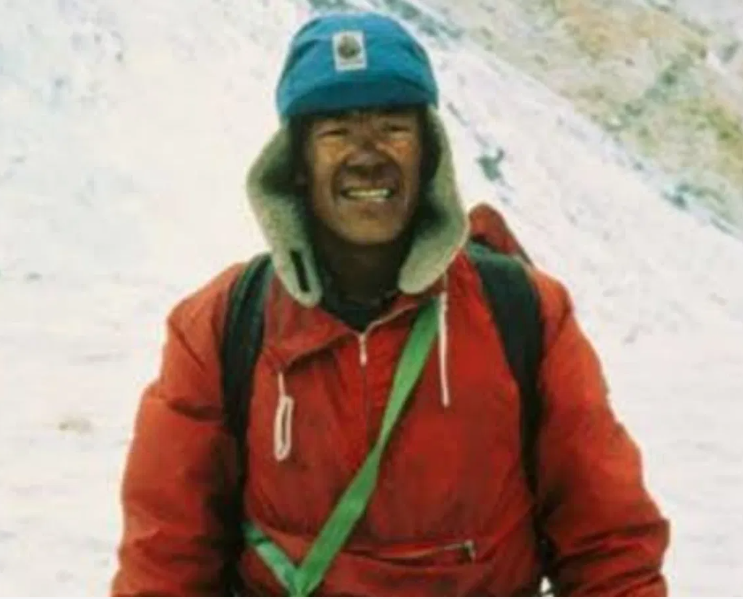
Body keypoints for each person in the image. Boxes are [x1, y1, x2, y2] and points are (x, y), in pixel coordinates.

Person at [111, 11, 669, 596]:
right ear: (295, 166)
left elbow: (610, 546)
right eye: (335, 131)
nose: (367, 153)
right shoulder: (222, 326)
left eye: (393, 127)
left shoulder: (525, 313)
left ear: (430, 155)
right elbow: (165, 560)